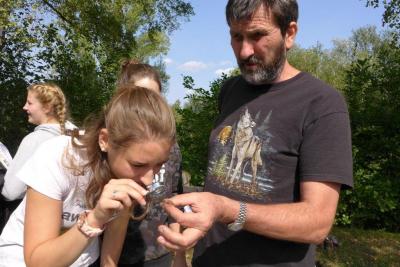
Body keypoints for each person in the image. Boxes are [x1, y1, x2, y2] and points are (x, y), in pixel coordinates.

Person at [157, 1, 353, 266]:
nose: (245, 50)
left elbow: (317, 224)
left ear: (289, 34)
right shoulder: (230, 91)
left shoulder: (322, 104)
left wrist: (226, 210)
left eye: (257, 35)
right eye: (236, 37)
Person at [0, 86, 176, 267]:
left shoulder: (129, 176)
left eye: (159, 165)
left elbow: (112, 246)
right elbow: (37, 262)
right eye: (138, 165)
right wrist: (96, 218)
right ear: (105, 140)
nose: (149, 179)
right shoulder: (57, 156)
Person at [101, 59, 185, 267]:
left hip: (158, 253)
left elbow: (174, 198)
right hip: (111, 255)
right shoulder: (109, 149)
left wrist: (180, 254)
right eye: (138, 96)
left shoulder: (170, 149)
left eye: (154, 98)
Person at [1, 82, 76, 201]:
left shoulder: (35, 140)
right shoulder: (76, 139)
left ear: (47, 107)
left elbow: (11, 192)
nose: (24, 107)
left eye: (30, 103)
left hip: (36, 214)